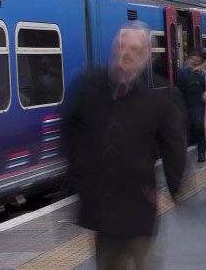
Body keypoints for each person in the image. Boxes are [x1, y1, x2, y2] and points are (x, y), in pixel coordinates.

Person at [64, 23, 187, 270]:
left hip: (139, 206)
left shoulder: (158, 100)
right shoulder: (88, 87)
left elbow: (175, 147)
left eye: (134, 49)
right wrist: (78, 180)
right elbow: (68, 132)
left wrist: (176, 190)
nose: (126, 53)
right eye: (121, 46)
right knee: (108, 264)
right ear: (113, 49)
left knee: (146, 263)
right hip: (102, 208)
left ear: (146, 58)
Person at [176, 51, 206, 163]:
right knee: (199, 131)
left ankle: (200, 154)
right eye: (193, 56)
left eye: (196, 56)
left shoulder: (203, 73)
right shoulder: (201, 73)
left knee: (198, 131)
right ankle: (199, 153)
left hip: (197, 106)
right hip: (191, 106)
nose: (194, 58)